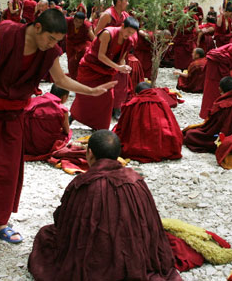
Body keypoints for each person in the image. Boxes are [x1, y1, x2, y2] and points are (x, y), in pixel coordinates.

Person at [0, 9, 116, 243]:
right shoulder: (6, 33)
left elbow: (61, 80)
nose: (52, 45)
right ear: (38, 28)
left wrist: (91, 91)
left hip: (12, 113)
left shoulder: (48, 51)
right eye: (50, 39)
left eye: (57, 41)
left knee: (7, 168)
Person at [28, 130, 181, 280]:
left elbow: (63, 220)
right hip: (133, 250)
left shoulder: (83, 183)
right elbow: (151, 222)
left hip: (94, 256)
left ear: (90, 153)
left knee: (45, 235)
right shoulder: (136, 180)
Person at [70, 16, 138, 130]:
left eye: (132, 33)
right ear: (122, 26)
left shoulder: (129, 41)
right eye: (128, 31)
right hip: (91, 67)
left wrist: (124, 67)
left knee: (107, 98)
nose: (129, 35)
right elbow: (101, 56)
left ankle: (100, 127)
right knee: (84, 95)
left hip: (107, 71)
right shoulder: (108, 33)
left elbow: (121, 58)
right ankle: (72, 117)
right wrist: (117, 67)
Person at [113, 82, 183, 163]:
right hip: (164, 146)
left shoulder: (132, 103)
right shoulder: (162, 101)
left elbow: (123, 125)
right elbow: (173, 123)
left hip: (139, 147)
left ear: (136, 93)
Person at [185, 76, 232, 153]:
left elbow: (211, 128)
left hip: (225, 138)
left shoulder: (221, 105)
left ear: (220, 89)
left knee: (190, 134)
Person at [23, 84, 71, 158]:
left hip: (26, 145)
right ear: (65, 96)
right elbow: (66, 131)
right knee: (68, 134)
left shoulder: (34, 101)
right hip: (47, 147)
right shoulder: (62, 109)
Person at [65, 11, 95, 79]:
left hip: (82, 44)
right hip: (70, 43)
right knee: (70, 60)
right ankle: (73, 76)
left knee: (76, 59)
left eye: (80, 22)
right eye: (76, 21)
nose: (78, 23)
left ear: (83, 21)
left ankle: (81, 75)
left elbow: (93, 38)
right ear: (73, 19)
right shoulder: (68, 20)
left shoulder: (87, 25)